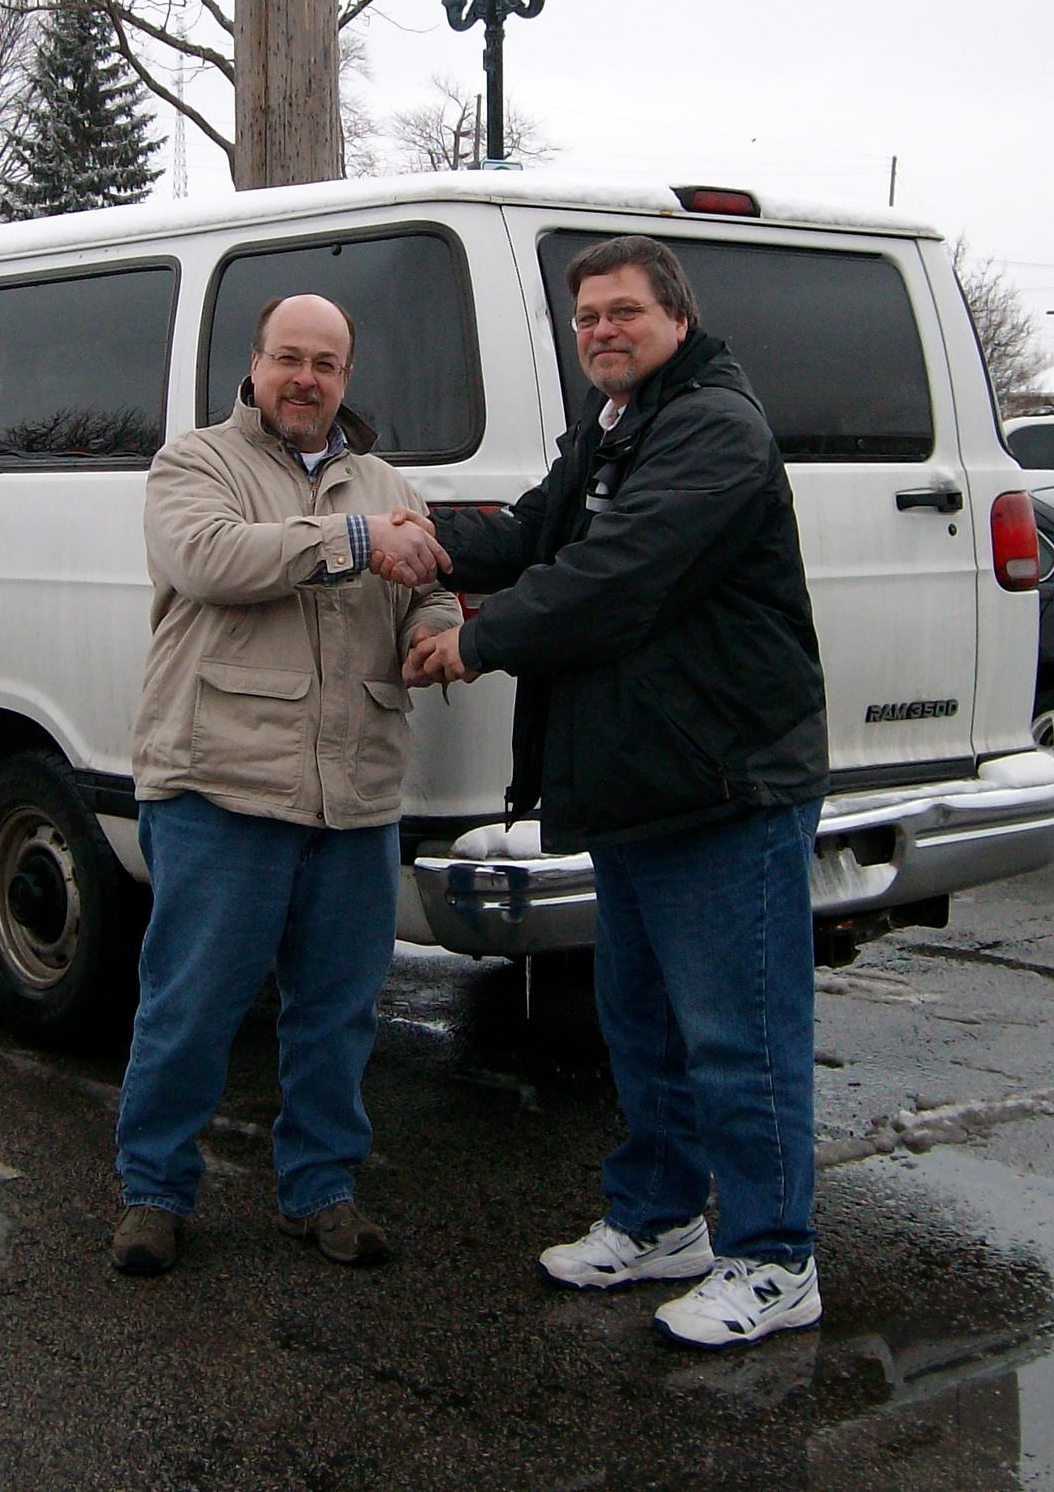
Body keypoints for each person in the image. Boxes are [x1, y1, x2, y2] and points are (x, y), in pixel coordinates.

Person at [403, 234, 830, 1350]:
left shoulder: (712, 431)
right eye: (586, 314)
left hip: (725, 782)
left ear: (675, 320)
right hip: (644, 781)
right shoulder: (615, 428)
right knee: (640, 1023)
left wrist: (478, 639)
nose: (601, 328)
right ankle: (658, 1219)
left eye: (623, 310)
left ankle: (776, 1259)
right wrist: (420, 540)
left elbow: (613, 576)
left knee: (739, 1034)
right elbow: (529, 532)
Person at [111, 293, 460, 1276]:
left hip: (350, 795)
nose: (306, 379)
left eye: (327, 364)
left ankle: (320, 1190)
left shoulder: (385, 479)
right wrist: (358, 542)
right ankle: (152, 1191)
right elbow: (209, 557)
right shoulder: (195, 464)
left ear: (348, 379)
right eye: (288, 359)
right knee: (191, 1001)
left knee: (339, 1009)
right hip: (220, 783)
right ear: (254, 366)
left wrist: (436, 623)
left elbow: (425, 574)